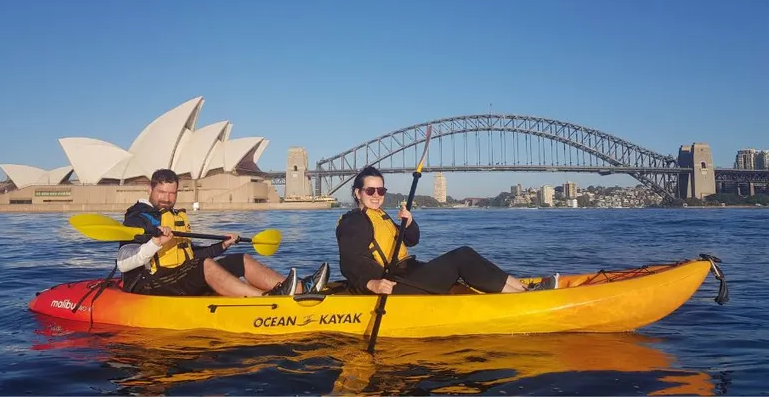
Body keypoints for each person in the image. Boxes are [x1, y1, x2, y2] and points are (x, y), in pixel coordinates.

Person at [335, 165, 558, 295]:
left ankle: (522, 288)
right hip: (393, 286)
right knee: (461, 256)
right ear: (357, 193)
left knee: (465, 256)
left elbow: (412, 240)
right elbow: (350, 262)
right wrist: (370, 283)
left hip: (407, 273)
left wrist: (409, 222)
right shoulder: (355, 222)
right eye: (370, 190)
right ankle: (523, 296)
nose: (376, 195)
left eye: (381, 190)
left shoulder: (380, 216)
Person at [117, 169, 329, 297]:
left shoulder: (172, 215)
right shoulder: (137, 217)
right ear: (149, 189)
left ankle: (302, 287)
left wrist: (222, 246)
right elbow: (123, 263)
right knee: (205, 266)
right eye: (161, 192)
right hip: (149, 284)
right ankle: (265, 298)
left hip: (177, 276)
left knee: (240, 259)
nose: (167, 198)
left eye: (172, 193)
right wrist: (155, 242)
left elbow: (189, 257)